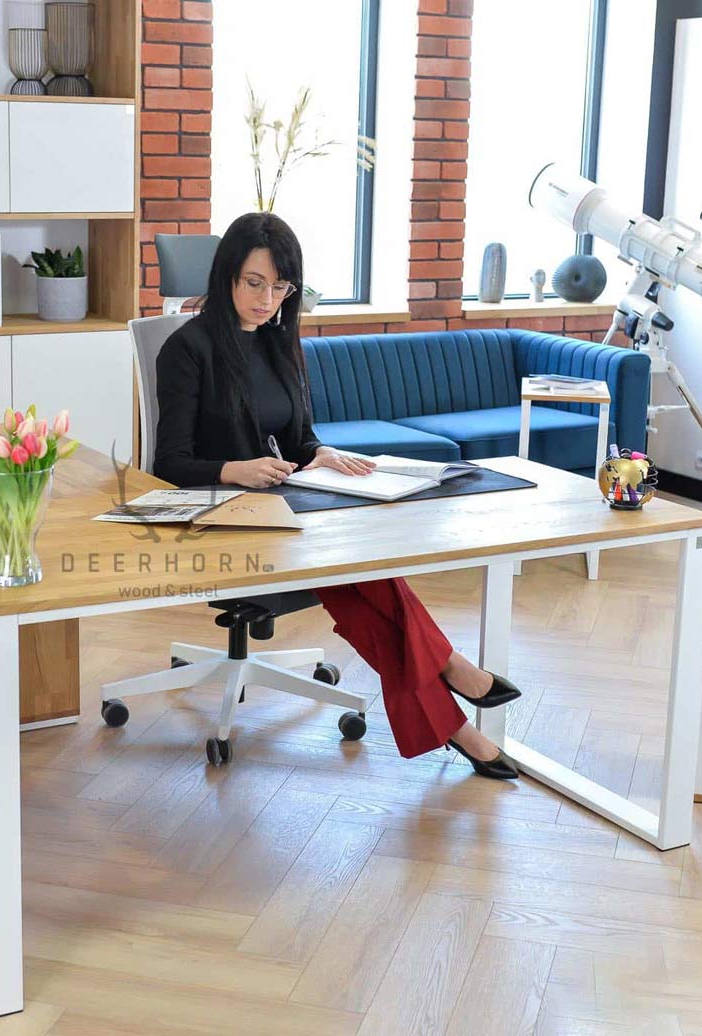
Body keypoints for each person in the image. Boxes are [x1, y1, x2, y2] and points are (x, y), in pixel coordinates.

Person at [153, 212, 521, 780]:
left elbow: (298, 436)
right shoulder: (187, 349)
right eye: (255, 283)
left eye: (280, 288)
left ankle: (456, 725)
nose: (267, 299)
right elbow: (168, 464)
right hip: (229, 518)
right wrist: (235, 469)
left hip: (293, 508)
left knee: (364, 580)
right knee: (365, 575)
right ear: (227, 275)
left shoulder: (279, 345)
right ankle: (454, 676)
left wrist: (318, 453)